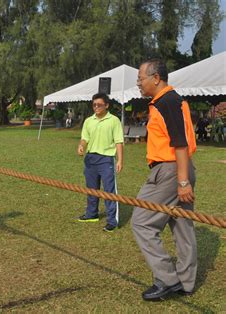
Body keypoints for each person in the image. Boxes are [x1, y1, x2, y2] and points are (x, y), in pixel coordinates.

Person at [132, 59, 197, 301]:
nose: (139, 83)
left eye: (141, 79)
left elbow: (179, 142)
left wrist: (182, 182)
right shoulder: (172, 100)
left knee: (141, 221)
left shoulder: (166, 101)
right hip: (179, 168)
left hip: (171, 171)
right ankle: (186, 283)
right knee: (182, 226)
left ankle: (168, 279)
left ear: (156, 78)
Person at [77, 93, 124, 232]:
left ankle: (112, 221)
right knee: (91, 189)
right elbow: (85, 138)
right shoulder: (88, 121)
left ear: (107, 105)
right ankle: (92, 214)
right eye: (94, 105)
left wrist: (120, 160)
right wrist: (81, 145)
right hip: (90, 159)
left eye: (99, 104)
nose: (96, 107)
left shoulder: (114, 120)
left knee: (109, 190)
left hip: (106, 160)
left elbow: (119, 142)